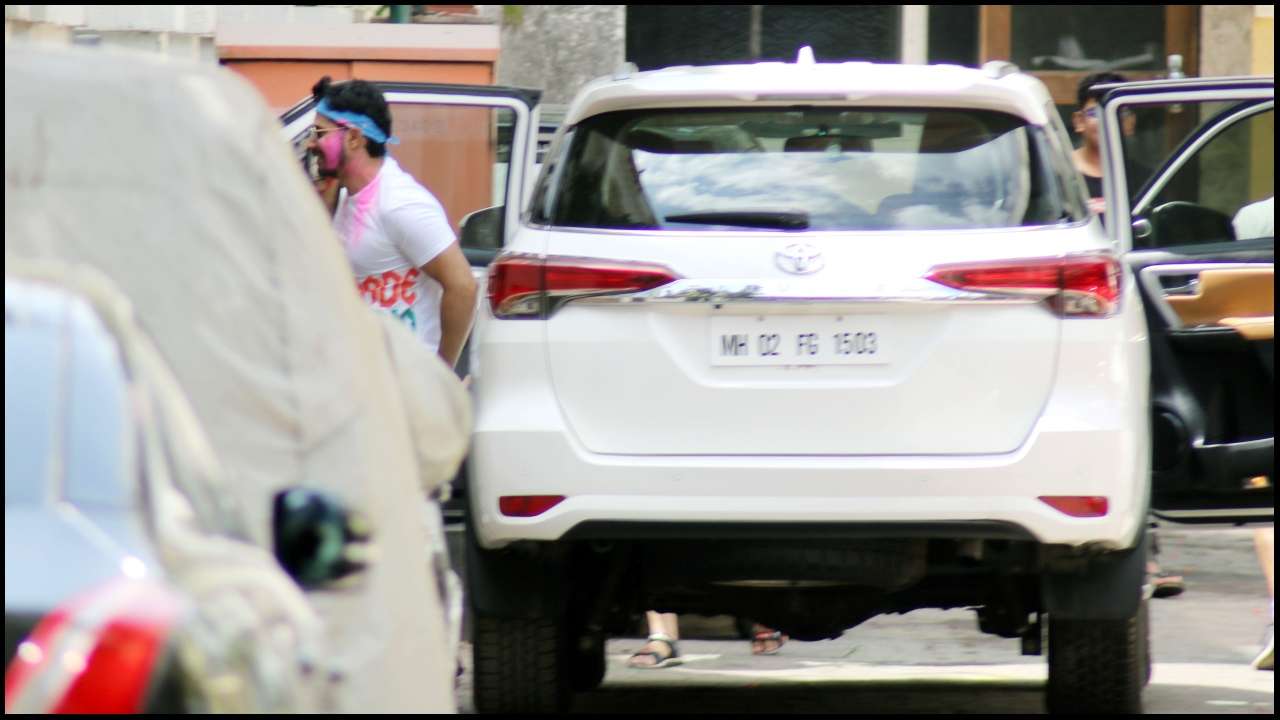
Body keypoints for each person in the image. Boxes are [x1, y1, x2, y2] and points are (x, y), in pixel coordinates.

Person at [307, 76, 478, 368]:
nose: (311, 143)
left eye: (320, 133)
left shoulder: (401, 204)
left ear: (354, 138)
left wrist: (442, 374)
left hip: (406, 380)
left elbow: (463, 286)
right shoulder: (346, 197)